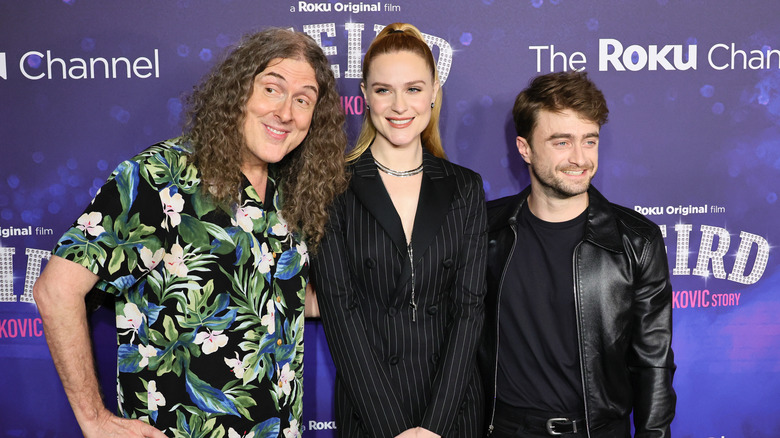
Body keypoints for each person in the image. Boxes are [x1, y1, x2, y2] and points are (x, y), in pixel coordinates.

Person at [33, 28, 347, 437]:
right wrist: (94, 419)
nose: (286, 112)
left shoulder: (291, 192)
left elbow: (274, 296)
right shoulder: (160, 176)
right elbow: (56, 290)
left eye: (303, 100)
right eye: (272, 89)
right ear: (237, 92)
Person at [311, 23, 487, 438]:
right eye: (383, 89)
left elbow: (469, 311)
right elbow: (340, 312)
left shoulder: (465, 186)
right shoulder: (333, 186)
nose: (398, 105)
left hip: (451, 411)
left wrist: (434, 427)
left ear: (433, 93)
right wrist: (394, 430)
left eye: (412, 89)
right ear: (365, 96)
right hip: (369, 411)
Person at [479, 71, 676, 437]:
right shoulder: (483, 230)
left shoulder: (637, 240)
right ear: (525, 148)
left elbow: (654, 364)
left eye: (589, 141)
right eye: (561, 142)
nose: (580, 158)